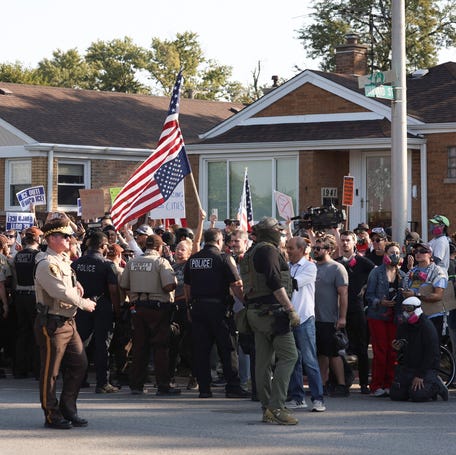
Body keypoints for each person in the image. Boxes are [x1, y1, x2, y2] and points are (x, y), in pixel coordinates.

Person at [33, 219, 96, 429]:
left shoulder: (62, 260)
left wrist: (76, 285)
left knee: (80, 364)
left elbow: (68, 285)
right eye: (65, 236)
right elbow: (59, 291)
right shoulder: (46, 263)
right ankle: (51, 414)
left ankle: (68, 408)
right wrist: (83, 302)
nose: (69, 239)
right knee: (50, 371)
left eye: (70, 236)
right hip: (52, 323)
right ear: (51, 238)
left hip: (68, 322)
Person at [240, 217, 299, 425]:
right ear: (270, 232)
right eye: (278, 231)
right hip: (272, 313)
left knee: (263, 363)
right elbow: (274, 281)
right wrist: (290, 309)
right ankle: (276, 407)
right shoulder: (268, 250)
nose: (281, 234)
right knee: (290, 356)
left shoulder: (250, 252)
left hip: (255, 313)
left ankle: (267, 408)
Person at [184, 228, 249, 400]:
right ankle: (233, 387)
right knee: (228, 349)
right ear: (219, 241)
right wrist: (246, 302)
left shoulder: (193, 259)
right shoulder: (223, 258)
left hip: (198, 309)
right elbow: (236, 284)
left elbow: (187, 287)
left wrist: (189, 307)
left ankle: (204, 388)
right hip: (219, 309)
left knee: (201, 349)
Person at [120, 234, 180, 396]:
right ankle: (163, 385)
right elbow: (168, 286)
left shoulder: (132, 262)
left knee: (139, 347)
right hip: (158, 309)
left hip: (138, 309)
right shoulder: (161, 262)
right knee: (161, 347)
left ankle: (136, 385)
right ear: (160, 248)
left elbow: (124, 284)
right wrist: (175, 282)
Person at [72, 231, 121, 394]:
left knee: (81, 344)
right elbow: (113, 291)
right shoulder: (107, 265)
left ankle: (80, 379)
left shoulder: (77, 263)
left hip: (81, 306)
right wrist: (117, 309)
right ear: (103, 246)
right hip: (102, 307)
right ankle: (102, 383)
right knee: (102, 346)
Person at [286, 236, 326, 412]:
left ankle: (318, 399)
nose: (288, 251)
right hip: (288, 319)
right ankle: (297, 397)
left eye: (291, 248)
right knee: (293, 360)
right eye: (287, 248)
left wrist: (276, 279)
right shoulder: (287, 267)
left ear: (301, 250)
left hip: (304, 319)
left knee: (309, 360)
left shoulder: (309, 267)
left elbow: (292, 284)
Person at [336, 230, 375, 394]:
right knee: (338, 347)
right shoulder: (336, 263)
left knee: (361, 348)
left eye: (348, 241)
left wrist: (366, 287)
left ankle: (364, 383)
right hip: (338, 310)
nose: (345, 243)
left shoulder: (364, 262)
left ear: (354, 243)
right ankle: (343, 380)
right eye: (343, 240)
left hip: (357, 309)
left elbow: (377, 274)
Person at [365, 241, 405, 397]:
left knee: (393, 351)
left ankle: (389, 384)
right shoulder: (376, 273)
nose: (394, 256)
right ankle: (376, 385)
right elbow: (369, 296)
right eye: (391, 253)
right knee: (380, 351)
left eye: (397, 253)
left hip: (395, 318)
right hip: (377, 316)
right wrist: (381, 302)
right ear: (385, 255)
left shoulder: (402, 275)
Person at [390, 296, 448, 402]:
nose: (406, 312)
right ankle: (415, 385)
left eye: (409, 309)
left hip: (426, 368)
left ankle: (436, 385)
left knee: (417, 396)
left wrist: (420, 375)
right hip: (409, 366)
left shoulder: (427, 327)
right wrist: (397, 347)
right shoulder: (404, 326)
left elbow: (431, 354)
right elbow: (401, 345)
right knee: (396, 395)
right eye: (404, 308)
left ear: (417, 309)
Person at [313, 234, 349, 397]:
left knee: (333, 353)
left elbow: (343, 295)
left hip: (331, 318)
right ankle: (322, 383)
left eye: (318, 248)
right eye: (314, 247)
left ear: (329, 249)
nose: (315, 250)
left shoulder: (337, 268)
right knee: (321, 353)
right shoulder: (312, 267)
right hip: (315, 318)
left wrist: (342, 317)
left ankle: (342, 385)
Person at [12, 226, 43, 379]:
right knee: (37, 332)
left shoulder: (18, 255)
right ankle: (38, 370)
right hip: (33, 295)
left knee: (22, 332)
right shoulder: (38, 256)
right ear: (37, 239)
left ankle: (20, 369)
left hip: (19, 294)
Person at [402, 242, 448, 343]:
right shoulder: (411, 271)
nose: (418, 253)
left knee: (431, 349)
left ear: (430, 254)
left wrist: (416, 295)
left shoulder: (437, 271)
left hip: (433, 316)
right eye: (415, 251)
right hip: (414, 316)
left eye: (422, 251)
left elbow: (438, 296)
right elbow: (405, 288)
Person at [170, 239, 195, 389]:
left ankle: (194, 376)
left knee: (190, 345)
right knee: (172, 343)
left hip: (187, 307)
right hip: (174, 308)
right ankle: (170, 376)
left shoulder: (190, 265)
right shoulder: (171, 267)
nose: (179, 252)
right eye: (177, 248)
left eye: (183, 249)